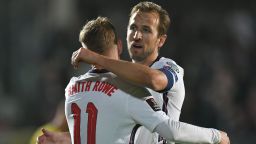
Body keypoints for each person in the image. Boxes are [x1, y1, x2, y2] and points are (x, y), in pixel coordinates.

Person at [37, 17, 229, 144]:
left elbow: (100, 133)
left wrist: (66, 139)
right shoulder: (129, 89)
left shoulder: (72, 88)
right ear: (119, 45)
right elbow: (171, 131)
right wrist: (215, 135)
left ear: (84, 51)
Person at [71, 1, 192, 144]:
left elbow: (154, 80)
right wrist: (67, 138)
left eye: (146, 30)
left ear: (160, 40)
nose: (137, 35)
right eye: (133, 27)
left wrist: (97, 58)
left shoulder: (169, 67)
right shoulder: (117, 77)